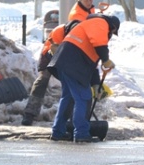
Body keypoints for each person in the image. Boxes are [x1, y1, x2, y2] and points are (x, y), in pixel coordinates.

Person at [47, 13, 120, 143]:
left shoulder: (90, 27)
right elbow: (100, 45)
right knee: (84, 98)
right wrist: (106, 59)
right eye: (112, 33)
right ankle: (81, 133)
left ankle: (58, 132)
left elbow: (92, 63)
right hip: (74, 65)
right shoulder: (101, 23)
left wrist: (96, 84)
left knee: (68, 98)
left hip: (64, 62)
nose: (109, 36)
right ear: (112, 27)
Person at [21, 19, 80, 126]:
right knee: (42, 80)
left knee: (72, 85)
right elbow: (55, 50)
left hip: (68, 57)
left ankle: (73, 116)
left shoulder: (81, 35)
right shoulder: (59, 31)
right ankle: (30, 113)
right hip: (49, 55)